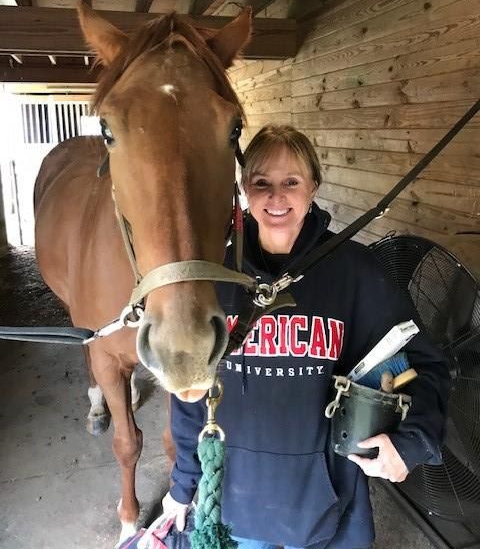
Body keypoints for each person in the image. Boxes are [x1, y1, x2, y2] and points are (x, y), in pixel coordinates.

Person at [161, 125, 450, 549]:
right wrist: (184, 484)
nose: (276, 197)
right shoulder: (211, 279)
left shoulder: (356, 272)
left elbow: (421, 363)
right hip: (233, 503)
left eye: (291, 182)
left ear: (313, 186)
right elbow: (189, 391)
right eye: (262, 183)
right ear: (244, 188)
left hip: (327, 500)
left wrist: (412, 442)